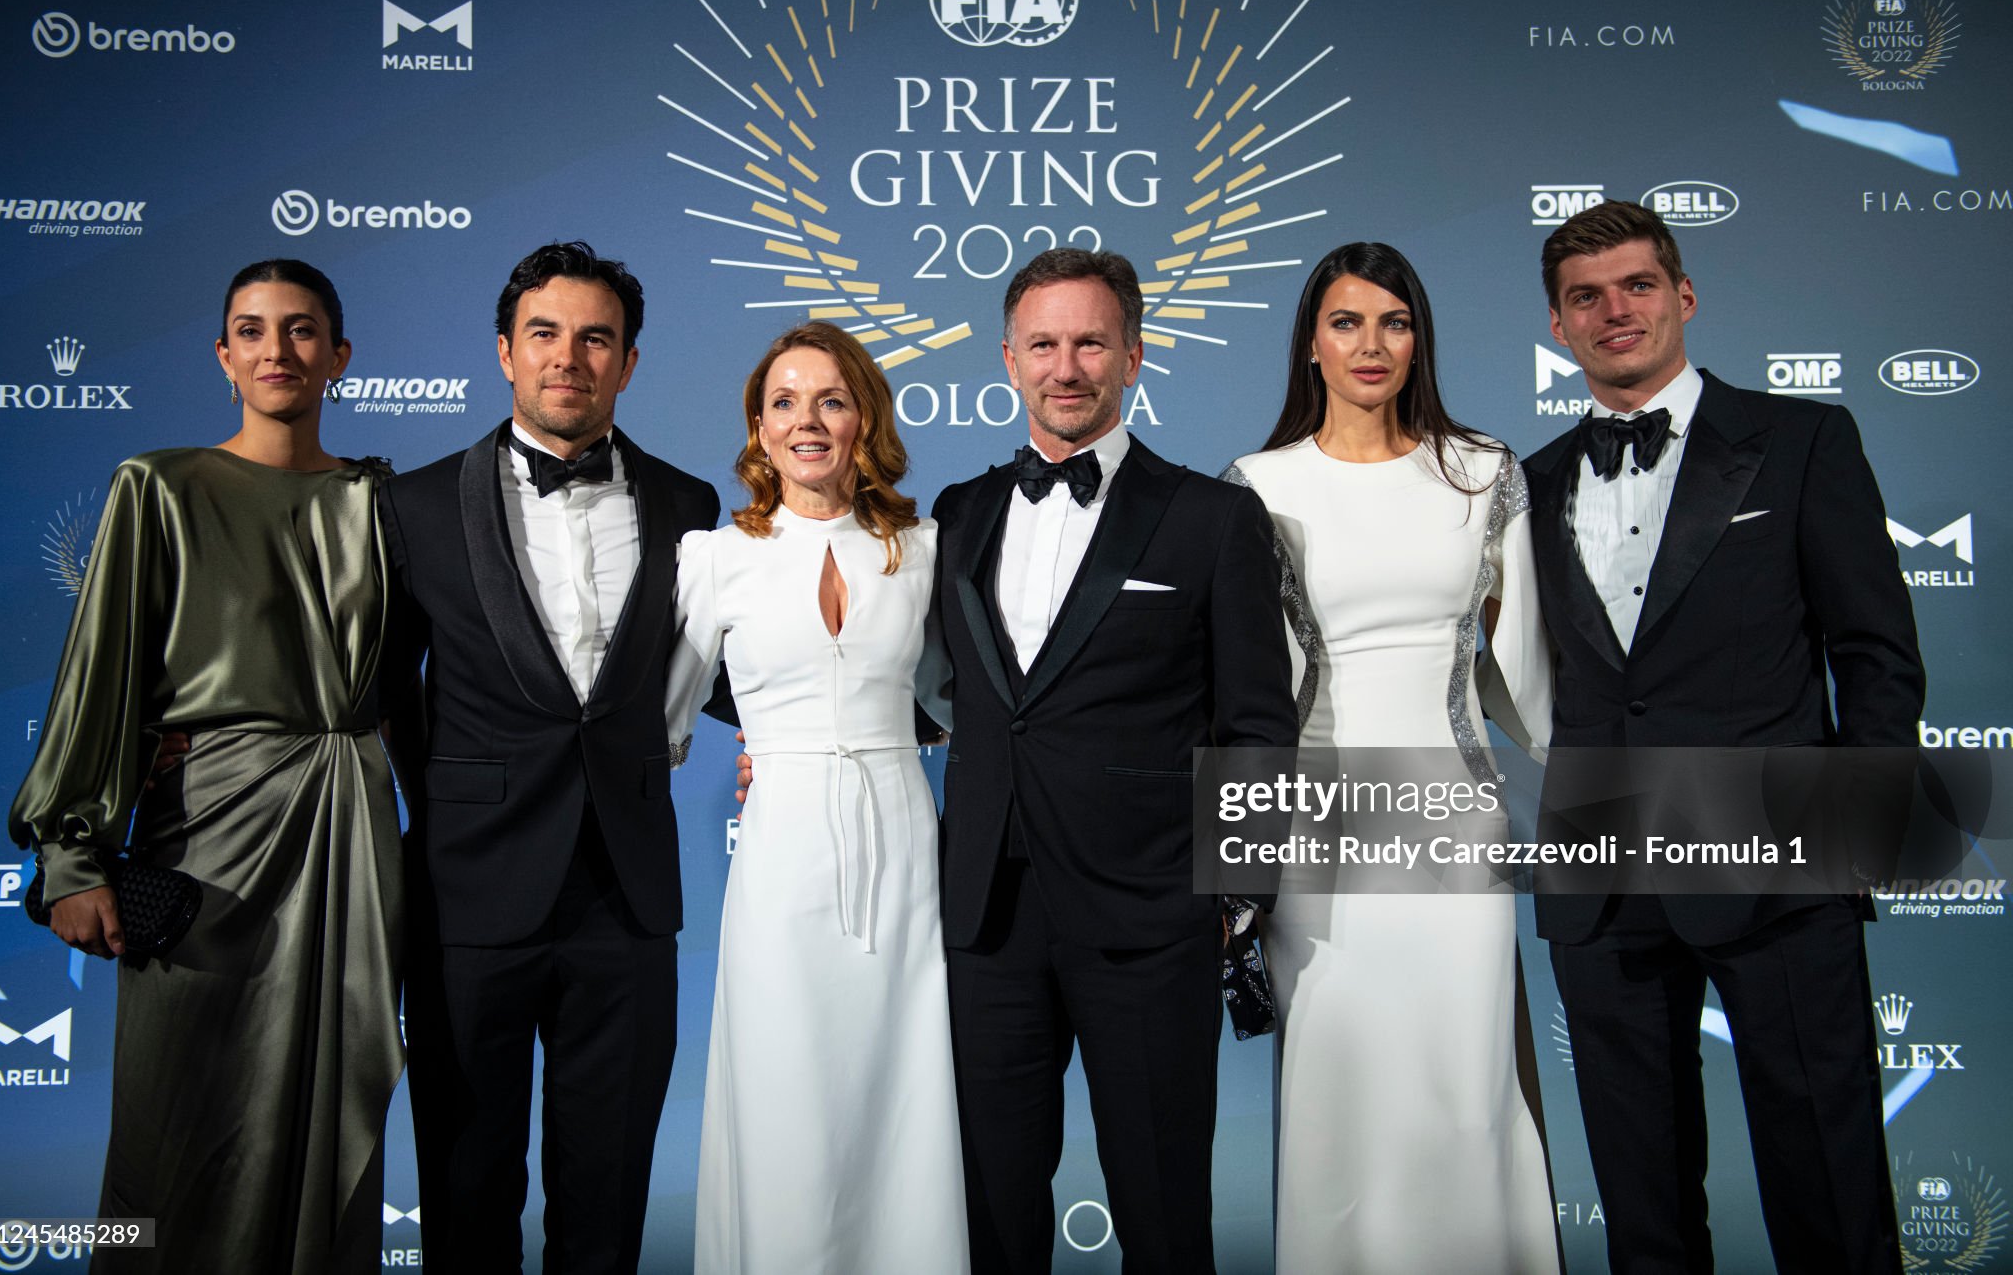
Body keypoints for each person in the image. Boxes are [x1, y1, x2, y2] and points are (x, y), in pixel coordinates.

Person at [1525, 200, 1921, 1272]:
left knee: (1825, 1186)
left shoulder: (1800, 441)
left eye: (1636, 286)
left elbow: (1874, 649)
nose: (1614, 312)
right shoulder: (1531, 481)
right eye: (1584, 298)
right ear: (1556, 328)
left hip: (1777, 866)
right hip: (1601, 877)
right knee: (1640, 1202)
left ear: (1683, 296)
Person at [7, 260, 403, 1273]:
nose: (279, 351)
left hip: (345, 841)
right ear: (224, 357)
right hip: (207, 837)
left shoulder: (382, 502)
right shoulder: (159, 487)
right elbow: (103, 677)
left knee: (331, 1109)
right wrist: (73, 856)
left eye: (304, 330)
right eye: (253, 331)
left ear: (341, 358)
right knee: (177, 1116)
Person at [932, 247, 1295, 1274]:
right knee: (991, 1212)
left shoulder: (1212, 518)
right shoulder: (959, 513)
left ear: (1133, 355)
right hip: (989, 917)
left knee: (1163, 1208)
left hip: (1148, 917)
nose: (1066, 365)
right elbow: (932, 686)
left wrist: (1232, 893)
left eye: (1089, 341)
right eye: (1042, 343)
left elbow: (1258, 725)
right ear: (1007, 359)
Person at [1222, 242, 1563, 1273]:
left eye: (1393, 321)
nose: (1370, 344)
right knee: (1337, 1090)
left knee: (1464, 1089)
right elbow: (1242, 697)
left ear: (1418, 340)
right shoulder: (1256, 487)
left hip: (1453, 824)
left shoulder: (1481, 471)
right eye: (1345, 322)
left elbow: (1527, 674)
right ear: (1310, 345)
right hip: (1316, 833)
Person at [380, 242, 719, 1275]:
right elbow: (391, 694)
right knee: (466, 1182)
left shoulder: (690, 508)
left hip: (626, 895)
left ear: (626, 362)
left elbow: (727, 670)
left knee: (606, 1191)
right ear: (503, 352)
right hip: (469, 891)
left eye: (594, 338)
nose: (566, 357)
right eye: (543, 334)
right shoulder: (413, 506)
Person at [665, 321, 968, 1274]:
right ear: (758, 429)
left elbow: (966, 700)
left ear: (863, 417)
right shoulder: (715, 558)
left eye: (831, 399)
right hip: (782, 853)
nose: (808, 420)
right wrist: (768, 747)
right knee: (787, 1088)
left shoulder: (922, 549)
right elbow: (659, 720)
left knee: (904, 1085)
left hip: (905, 846)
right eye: (785, 402)